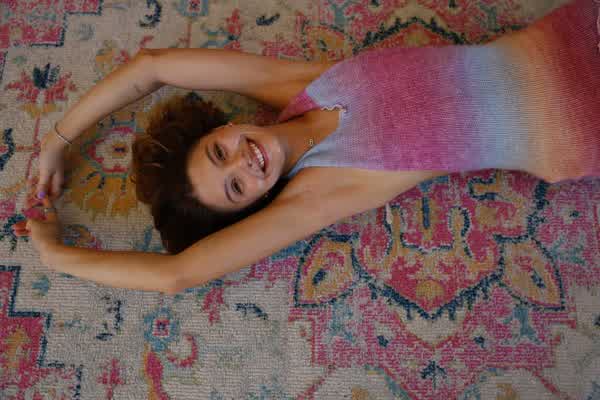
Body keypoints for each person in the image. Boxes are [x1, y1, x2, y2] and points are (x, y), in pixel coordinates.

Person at [12, 0, 600, 294]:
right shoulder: (317, 194)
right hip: (580, 126)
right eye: (236, 188)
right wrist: (57, 256)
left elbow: (153, 66)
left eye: (219, 153)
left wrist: (58, 140)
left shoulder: (299, 84)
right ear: (252, 206)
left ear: (218, 128)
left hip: (567, 34)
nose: (244, 162)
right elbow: (178, 274)